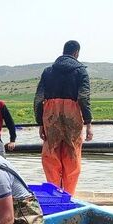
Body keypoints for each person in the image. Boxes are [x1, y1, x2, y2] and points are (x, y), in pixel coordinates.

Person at [34, 40, 93, 195]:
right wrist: (88, 123)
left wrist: (40, 122)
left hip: (51, 116)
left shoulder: (48, 72)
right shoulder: (81, 71)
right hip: (71, 115)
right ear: (76, 53)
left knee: (51, 156)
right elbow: (83, 98)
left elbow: (38, 99)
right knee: (72, 155)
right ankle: (68, 195)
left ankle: (54, 194)